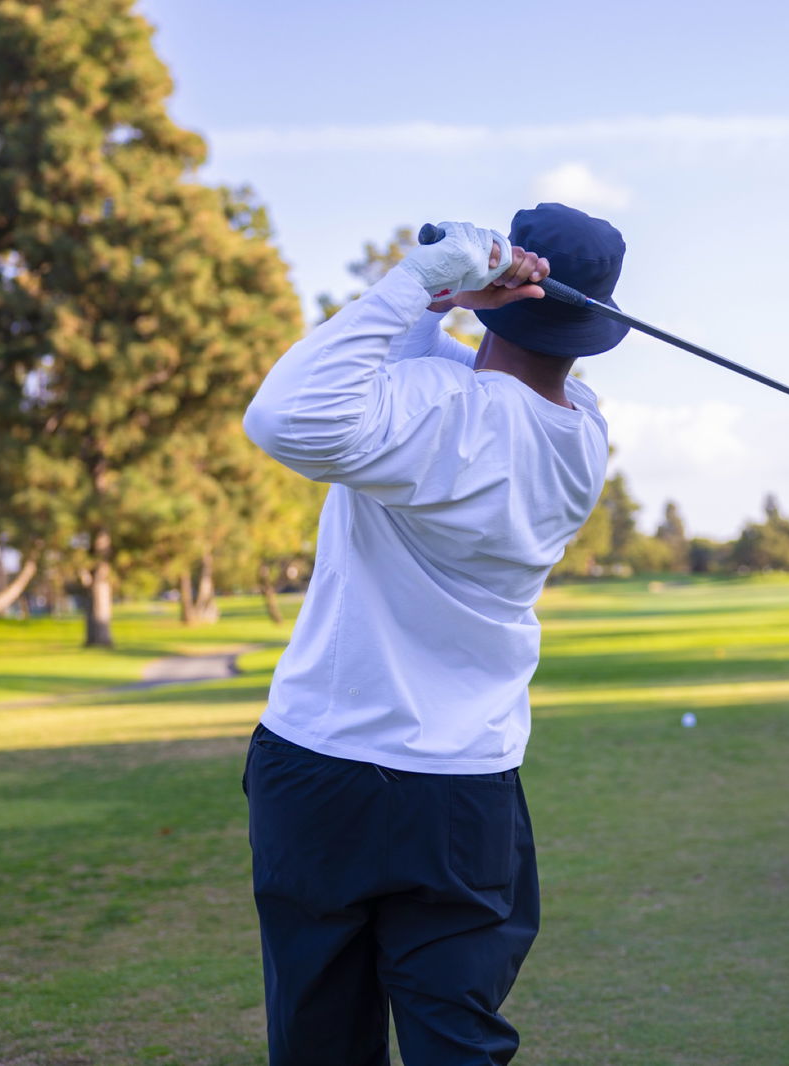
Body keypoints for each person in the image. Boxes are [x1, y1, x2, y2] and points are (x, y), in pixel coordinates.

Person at [240, 202, 629, 1065]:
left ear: (511, 291)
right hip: (466, 791)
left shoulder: (437, 408)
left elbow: (282, 415)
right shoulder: (584, 432)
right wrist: (450, 303)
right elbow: (467, 376)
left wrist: (423, 283)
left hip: (326, 772)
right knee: (458, 1044)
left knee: (319, 1044)